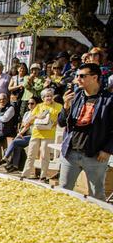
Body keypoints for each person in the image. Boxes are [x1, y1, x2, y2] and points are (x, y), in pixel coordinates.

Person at [57, 63, 112, 200]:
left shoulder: (109, 99)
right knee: (63, 191)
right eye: (77, 76)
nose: (78, 79)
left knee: (97, 194)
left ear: (94, 77)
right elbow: (62, 123)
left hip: (95, 155)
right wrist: (65, 107)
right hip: (71, 152)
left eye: (82, 76)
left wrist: (108, 149)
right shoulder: (75, 96)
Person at [20, 88, 62, 181]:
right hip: (36, 132)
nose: (49, 98)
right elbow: (30, 119)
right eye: (47, 96)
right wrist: (37, 116)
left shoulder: (58, 106)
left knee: (45, 155)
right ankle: (25, 174)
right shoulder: (39, 106)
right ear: (43, 98)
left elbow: (61, 118)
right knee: (31, 154)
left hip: (49, 133)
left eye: (50, 96)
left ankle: (43, 176)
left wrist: (55, 122)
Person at [3, 96, 40, 173]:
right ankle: (15, 166)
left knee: (14, 142)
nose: (30, 105)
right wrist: (20, 132)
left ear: (36, 104)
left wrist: (22, 130)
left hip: (33, 135)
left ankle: (5, 157)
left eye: (32, 103)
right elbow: (23, 124)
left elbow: (27, 125)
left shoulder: (37, 114)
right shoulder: (27, 113)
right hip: (25, 134)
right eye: (28, 103)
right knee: (17, 146)